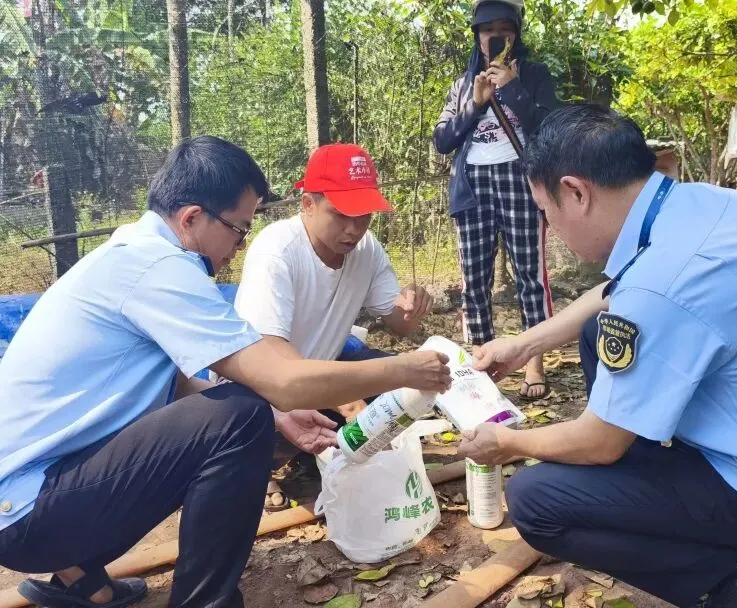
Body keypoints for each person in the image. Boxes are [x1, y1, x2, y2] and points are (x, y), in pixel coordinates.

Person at [0, 136, 451, 608]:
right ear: (192, 217)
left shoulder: (132, 255)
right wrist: (404, 369)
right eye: (238, 229)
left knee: (247, 411)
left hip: (31, 499)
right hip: (30, 514)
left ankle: (81, 581)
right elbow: (277, 379)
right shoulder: (159, 268)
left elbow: (177, 382)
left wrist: (280, 418)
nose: (238, 247)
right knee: (241, 413)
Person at [457, 104, 737, 608]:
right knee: (599, 329)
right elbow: (612, 292)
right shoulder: (697, 205)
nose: (549, 226)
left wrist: (507, 442)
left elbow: (599, 443)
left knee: (538, 500)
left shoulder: (662, 286)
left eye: (545, 210)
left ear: (576, 192)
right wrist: (523, 344)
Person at [233, 142, 434, 506]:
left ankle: (321, 457)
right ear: (308, 205)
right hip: (267, 390)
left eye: (364, 215)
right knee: (249, 417)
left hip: (317, 382)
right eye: (342, 214)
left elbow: (400, 324)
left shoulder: (366, 249)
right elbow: (270, 354)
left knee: (393, 384)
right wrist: (342, 394)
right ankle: (255, 470)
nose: (354, 229)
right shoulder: (277, 249)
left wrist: (411, 303)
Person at [433, 0, 559, 401]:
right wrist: (477, 102)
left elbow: (552, 125)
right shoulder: (461, 83)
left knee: (530, 275)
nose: (495, 36)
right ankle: (481, 362)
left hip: (520, 179)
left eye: (504, 29)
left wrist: (513, 88)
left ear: (516, 34)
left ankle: (534, 361)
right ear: (477, 36)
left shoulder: (534, 75)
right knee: (474, 279)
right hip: (472, 184)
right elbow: (442, 140)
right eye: (487, 30)